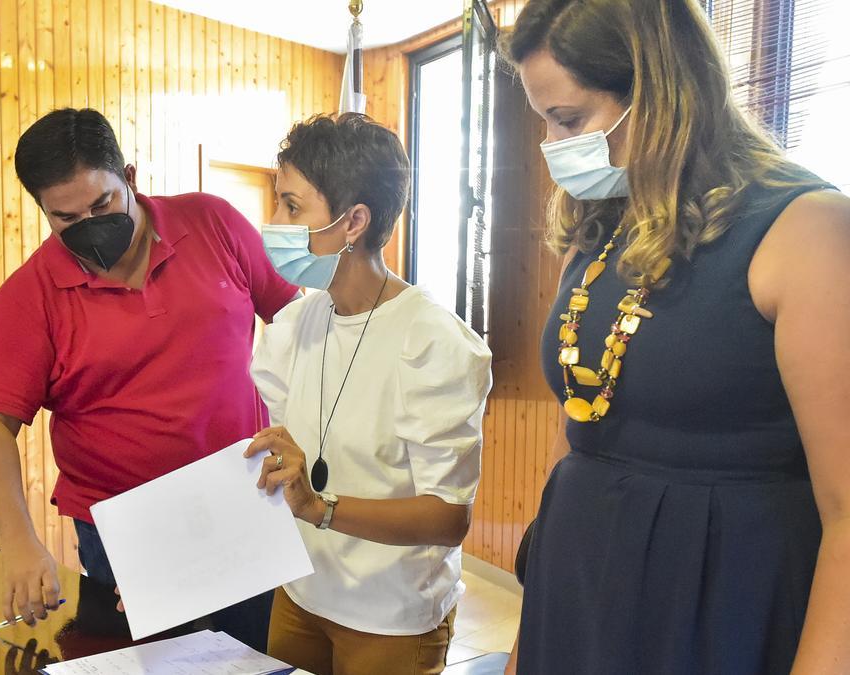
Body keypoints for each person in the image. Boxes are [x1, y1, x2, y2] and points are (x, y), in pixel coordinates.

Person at [501, 1, 850, 673]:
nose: (551, 146)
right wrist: (528, 641)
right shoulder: (600, 229)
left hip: (719, 606)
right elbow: (577, 430)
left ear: (660, 91)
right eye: (544, 120)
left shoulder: (808, 231)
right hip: (577, 593)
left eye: (567, 120)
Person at [0, 108, 297, 650]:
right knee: (157, 664)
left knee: (258, 657)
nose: (89, 225)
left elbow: (296, 323)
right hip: (127, 530)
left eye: (103, 204)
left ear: (131, 177)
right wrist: (19, 542)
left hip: (242, 502)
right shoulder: (29, 298)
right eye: (66, 218)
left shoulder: (213, 224)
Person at [245, 113, 492, 675]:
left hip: (390, 614)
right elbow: (288, 466)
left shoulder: (431, 341)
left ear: (353, 221)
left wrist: (319, 507)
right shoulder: (295, 325)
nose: (273, 222)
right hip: (302, 591)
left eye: (291, 206)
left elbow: (447, 517)